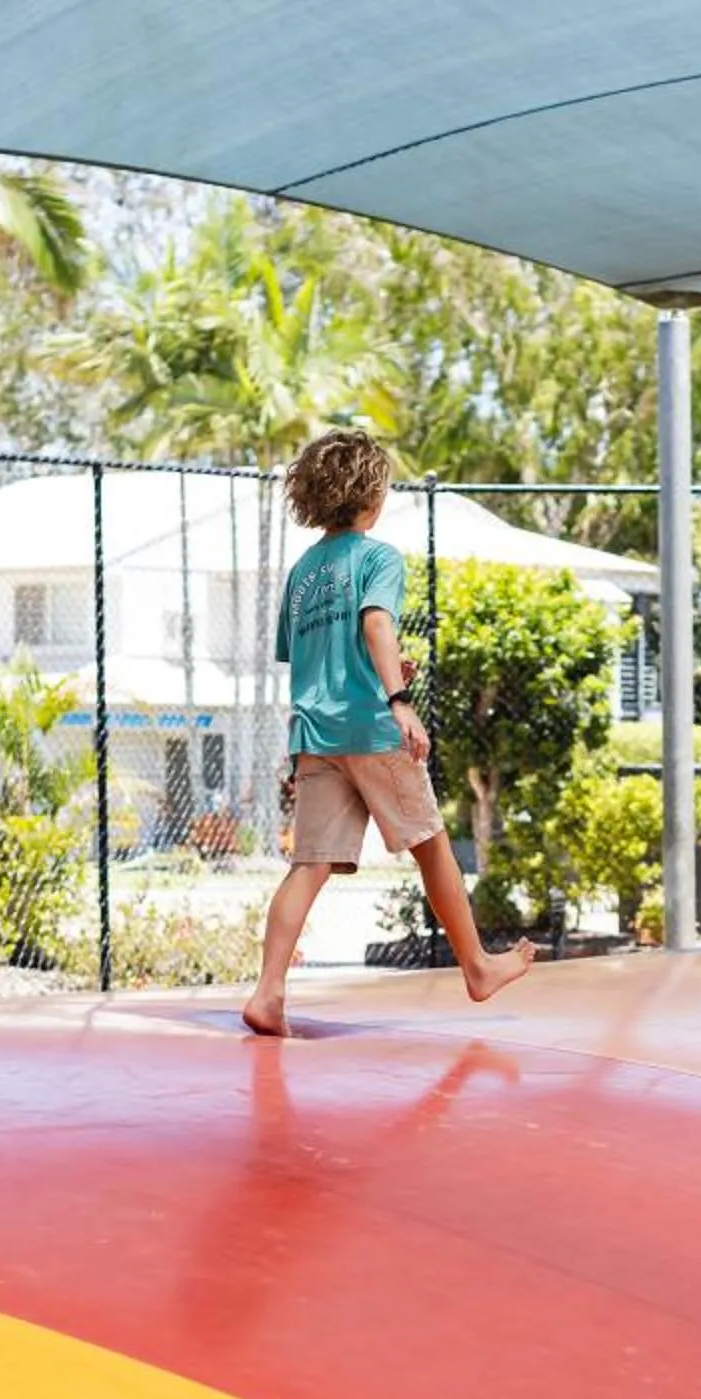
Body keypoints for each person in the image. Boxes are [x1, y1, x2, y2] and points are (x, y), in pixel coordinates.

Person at [242, 430, 535, 1036]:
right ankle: (477, 967)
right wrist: (398, 697)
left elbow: (311, 658)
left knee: (310, 864)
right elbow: (375, 621)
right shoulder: (378, 558)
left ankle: (268, 993)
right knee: (431, 845)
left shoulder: (302, 573)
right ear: (370, 495)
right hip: (371, 729)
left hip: (317, 734)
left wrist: (378, 673)